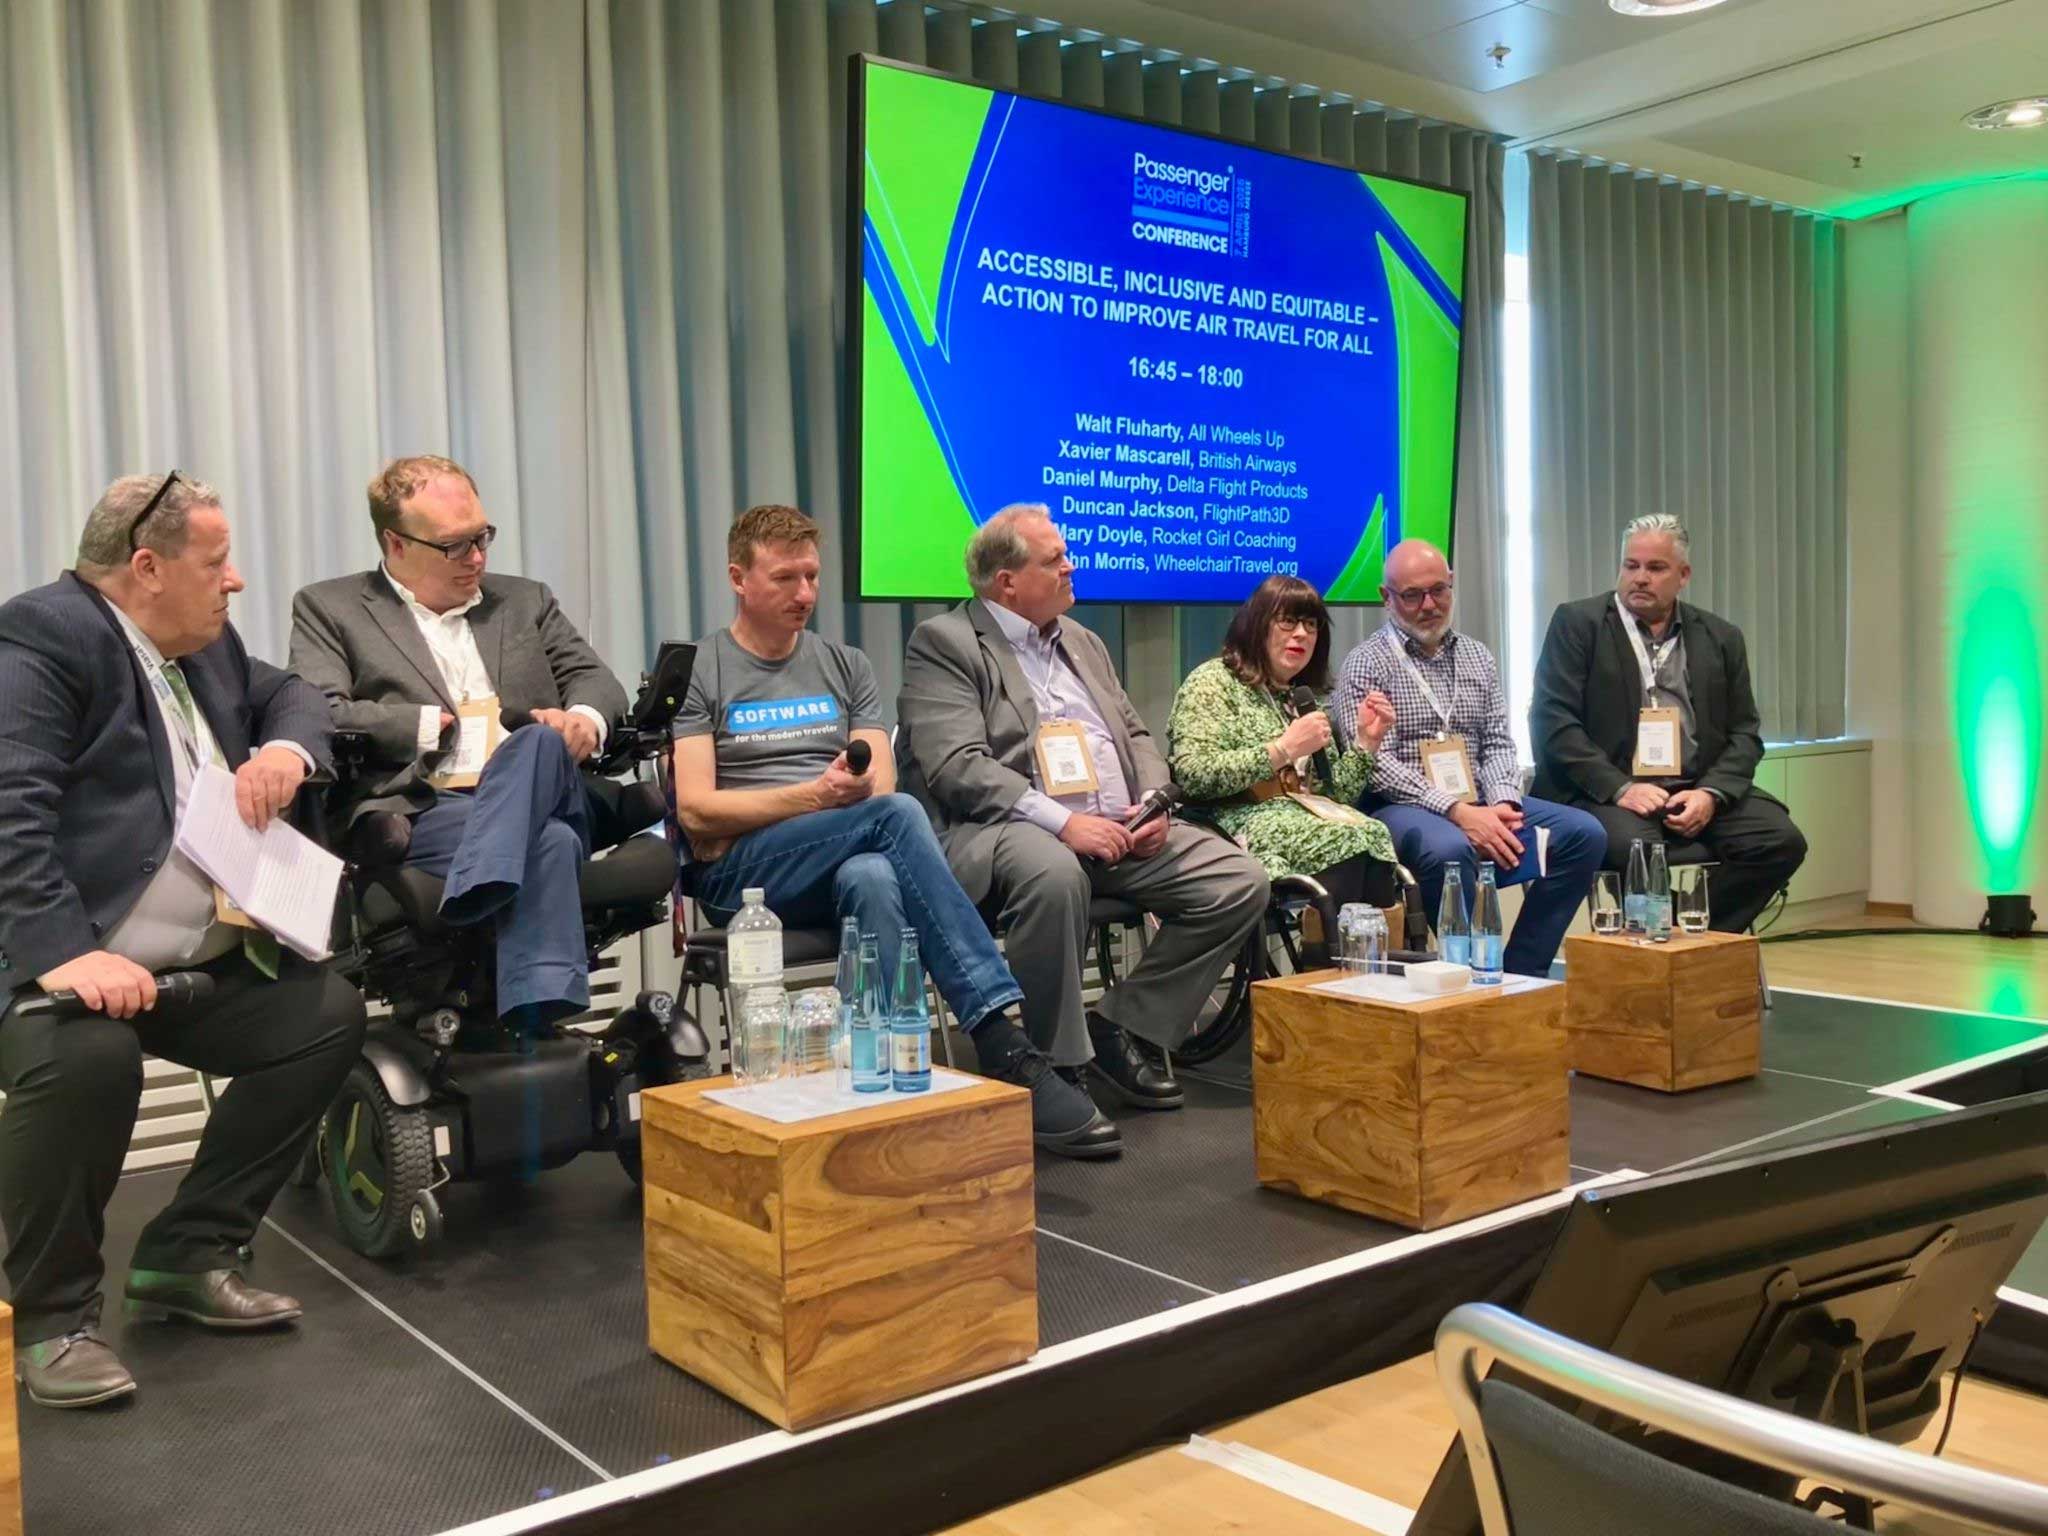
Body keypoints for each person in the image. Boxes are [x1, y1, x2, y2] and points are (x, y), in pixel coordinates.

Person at [0, 472, 366, 1410]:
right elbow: (11, 807)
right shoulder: (44, 635)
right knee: (86, 1056)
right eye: (217, 562)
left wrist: (286, 752)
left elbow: (293, 695)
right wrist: (62, 949)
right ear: (147, 567)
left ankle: (187, 1254)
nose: (235, 581)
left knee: (323, 1013)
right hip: (58, 967)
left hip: (186, 967)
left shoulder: (202, 644)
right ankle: (51, 1319)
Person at [670, 504, 1118, 1159]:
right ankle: (1000, 1037)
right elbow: (698, 813)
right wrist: (815, 796)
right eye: (784, 578)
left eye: (813, 577)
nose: (804, 594)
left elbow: (876, 784)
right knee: (899, 817)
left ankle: (881, 1094)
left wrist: (835, 805)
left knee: (875, 872)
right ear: (739, 578)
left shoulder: (846, 665)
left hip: (841, 849)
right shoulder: (702, 669)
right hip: (745, 873)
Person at [899, 505, 1270, 1110]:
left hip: (1118, 827)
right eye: (1055, 560)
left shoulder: (1083, 639)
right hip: (1008, 827)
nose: (1072, 566)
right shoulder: (944, 643)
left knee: (1239, 880)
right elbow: (957, 768)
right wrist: (1066, 822)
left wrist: (1152, 805)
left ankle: (1127, 1025)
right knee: (1054, 874)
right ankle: (1054, 1069)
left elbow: (1137, 736)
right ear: (1007, 582)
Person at [291, 455, 639, 1028]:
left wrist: (581, 719)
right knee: (548, 842)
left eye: (482, 538)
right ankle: (540, 1005)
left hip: (546, 784)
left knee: (536, 742)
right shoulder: (331, 608)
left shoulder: (525, 600)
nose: (476, 558)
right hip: (429, 806)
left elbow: (597, 681)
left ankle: (483, 877)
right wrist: (429, 726)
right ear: (395, 544)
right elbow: (321, 709)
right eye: (454, 546)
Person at [1333, 539, 1606, 976]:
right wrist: (1458, 811)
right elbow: (1376, 764)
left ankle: (1522, 970)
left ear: (1452, 585)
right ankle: (1470, 976)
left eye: (1439, 590)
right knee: (1449, 850)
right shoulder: (1365, 663)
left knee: (1583, 834)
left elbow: (1498, 741)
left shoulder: (1477, 656)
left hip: (1478, 798)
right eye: (1412, 595)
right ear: (1386, 598)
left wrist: (1503, 804)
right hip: (1401, 806)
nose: (1429, 605)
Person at [1530, 514, 1805, 934]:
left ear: (1684, 575)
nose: (1640, 578)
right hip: (1608, 792)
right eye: (1631, 565)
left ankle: (1693, 935)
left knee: (1779, 840)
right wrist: (1621, 788)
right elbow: (1553, 723)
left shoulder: (1721, 637)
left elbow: (1744, 733)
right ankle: (1673, 944)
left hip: (1694, 786)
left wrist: (1711, 794)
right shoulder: (1578, 624)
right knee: (1637, 850)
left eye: (1655, 568)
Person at [1167, 576, 1399, 964]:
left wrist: (1365, 743)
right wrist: (1282, 749)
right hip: (1231, 819)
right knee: (1349, 842)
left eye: (1311, 625)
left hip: (1301, 819)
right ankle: (1319, 981)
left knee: (1372, 835)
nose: (1301, 635)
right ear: (1257, 625)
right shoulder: (1213, 682)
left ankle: (1367, 981)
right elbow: (1194, 773)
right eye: (1288, 622)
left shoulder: (1303, 697)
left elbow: (1335, 797)